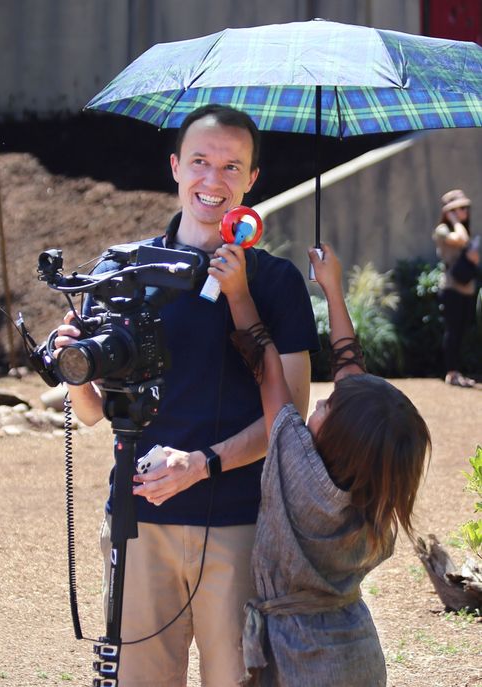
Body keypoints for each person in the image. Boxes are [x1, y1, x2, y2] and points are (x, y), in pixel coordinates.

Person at [54, 104, 319, 686]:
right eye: (200, 161)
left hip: (238, 525)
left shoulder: (275, 282)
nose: (212, 179)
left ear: (252, 181)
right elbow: (94, 413)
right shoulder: (120, 269)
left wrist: (203, 464)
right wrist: (76, 368)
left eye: (231, 166)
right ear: (175, 166)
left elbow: (290, 416)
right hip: (137, 520)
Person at [214, 242, 431, 686]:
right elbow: (354, 380)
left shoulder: (299, 470)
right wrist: (333, 290)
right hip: (356, 652)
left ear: (340, 438)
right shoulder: (375, 491)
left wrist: (237, 293)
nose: (319, 402)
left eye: (327, 406)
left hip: (300, 660)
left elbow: (268, 367)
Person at [433, 189, 479, 387]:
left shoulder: (462, 229)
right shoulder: (443, 229)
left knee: (461, 332)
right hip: (451, 286)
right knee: (452, 330)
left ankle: (457, 371)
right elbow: (461, 240)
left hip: (467, 287)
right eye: (459, 208)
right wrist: (455, 221)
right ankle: (451, 373)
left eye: (465, 208)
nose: (465, 211)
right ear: (449, 211)